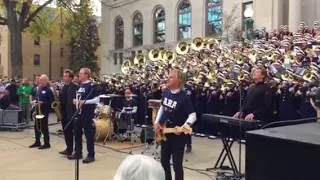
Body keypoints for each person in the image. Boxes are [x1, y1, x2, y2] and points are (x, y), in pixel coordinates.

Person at [154, 69, 197, 180]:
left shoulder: (184, 98)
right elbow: (162, 108)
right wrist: (157, 122)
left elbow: (193, 115)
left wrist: (183, 127)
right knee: (164, 160)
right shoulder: (166, 92)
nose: (167, 78)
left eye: (171, 77)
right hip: (165, 132)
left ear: (178, 81)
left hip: (178, 135)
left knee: (177, 165)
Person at [67, 68, 99, 164]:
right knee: (77, 133)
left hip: (87, 113)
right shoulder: (80, 85)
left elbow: (97, 100)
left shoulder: (91, 86)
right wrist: (75, 101)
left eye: (81, 73)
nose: (79, 75)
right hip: (78, 113)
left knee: (88, 134)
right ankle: (78, 152)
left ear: (86, 75)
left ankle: (91, 154)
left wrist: (83, 103)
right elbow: (79, 97)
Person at [29, 74, 54, 149]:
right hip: (38, 110)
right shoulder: (39, 89)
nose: (40, 81)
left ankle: (47, 143)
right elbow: (37, 98)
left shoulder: (48, 90)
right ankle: (37, 141)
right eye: (40, 80)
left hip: (45, 111)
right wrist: (35, 102)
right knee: (36, 126)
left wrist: (43, 103)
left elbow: (52, 102)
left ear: (46, 81)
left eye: (42, 80)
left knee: (44, 127)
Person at [59, 69, 79, 156]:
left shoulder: (74, 87)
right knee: (66, 132)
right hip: (64, 113)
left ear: (71, 78)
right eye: (64, 76)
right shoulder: (63, 87)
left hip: (71, 113)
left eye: (66, 76)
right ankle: (69, 149)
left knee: (72, 133)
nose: (64, 78)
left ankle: (76, 151)